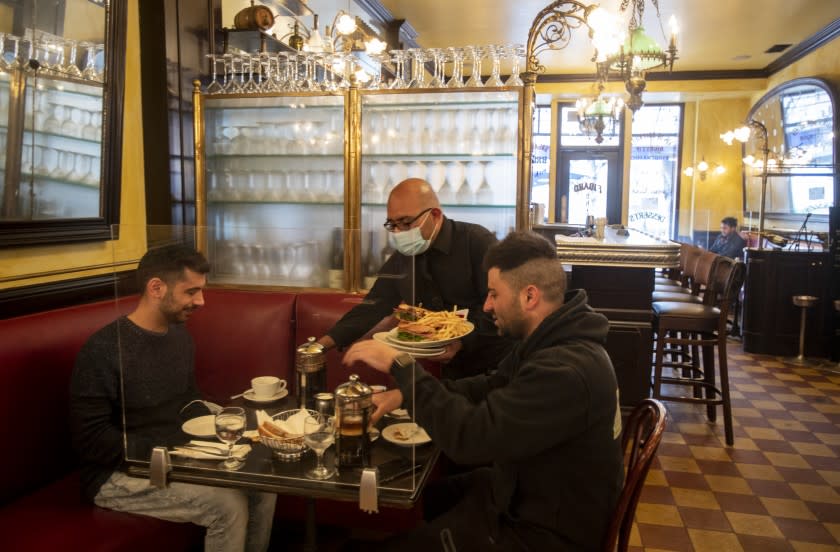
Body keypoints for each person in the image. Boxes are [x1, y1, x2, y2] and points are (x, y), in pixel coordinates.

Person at [343, 231, 624, 551]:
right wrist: (402, 395)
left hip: (544, 532)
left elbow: (470, 438)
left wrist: (402, 366)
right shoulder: (551, 341)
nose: (487, 306)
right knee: (427, 497)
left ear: (529, 296)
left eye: (493, 294)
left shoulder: (564, 372)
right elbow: (491, 384)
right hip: (527, 490)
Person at [69, 244, 275, 552]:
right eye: (191, 292)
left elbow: (188, 400)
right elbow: (91, 440)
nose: (201, 301)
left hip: (173, 456)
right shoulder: (103, 349)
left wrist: (218, 436)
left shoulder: (179, 336)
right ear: (156, 288)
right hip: (114, 475)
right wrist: (172, 453)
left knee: (263, 484)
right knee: (227, 505)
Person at [317, 177, 513, 380]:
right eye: (392, 225)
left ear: (435, 215)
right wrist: (322, 345)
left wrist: (463, 341)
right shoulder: (403, 256)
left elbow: (502, 304)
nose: (399, 232)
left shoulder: (476, 241)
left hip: (496, 367)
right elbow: (373, 305)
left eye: (406, 223)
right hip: (449, 373)